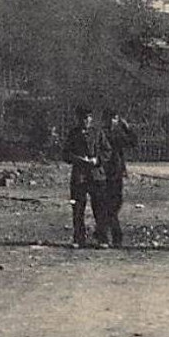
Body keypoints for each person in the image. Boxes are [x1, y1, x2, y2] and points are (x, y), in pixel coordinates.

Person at [61, 104, 112, 248]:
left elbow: (107, 151)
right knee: (78, 208)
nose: (86, 120)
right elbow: (65, 154)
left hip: (97, 176)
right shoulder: (73, 134)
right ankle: (78, 238)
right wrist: (78, 159)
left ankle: (102, 238)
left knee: (100, 208)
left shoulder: (98, 133)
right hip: (80, 176)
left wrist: (97, 160)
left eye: (89, 117)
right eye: (83, 118)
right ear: (78, 119)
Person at [100, 107, 138, 248]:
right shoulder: (101, 133)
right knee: (105, 204)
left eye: (114, 118)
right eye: (109, 118)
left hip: (116, 172)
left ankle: (107, 233)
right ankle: (112, 234)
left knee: (115, 204)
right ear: (104, 120)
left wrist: (127, 127)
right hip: (102, 172)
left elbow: (133, 142)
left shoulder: (118, 133)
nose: (112, 121)